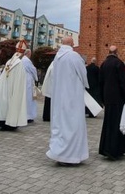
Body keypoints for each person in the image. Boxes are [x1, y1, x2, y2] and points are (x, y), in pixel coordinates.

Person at [46, 36, 89, 166]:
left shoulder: (57, 58)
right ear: (70, 44)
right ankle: (70, 156)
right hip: (72, 96)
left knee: (61, 124)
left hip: (59, 96)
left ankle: (59, 153)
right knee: (73, 124)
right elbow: (83, 74)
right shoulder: (73, 56)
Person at [0, 39, 28, 131]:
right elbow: (20, 81)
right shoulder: (19, 63)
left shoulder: (9, 61)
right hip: (13, 90)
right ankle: (10, 123)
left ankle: (1, 122)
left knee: (4, 105)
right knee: (11, 104)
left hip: (4, 88)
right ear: (23, 53)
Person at [98, 45, 125, 160]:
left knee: (108, 123)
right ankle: (115, 149)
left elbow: (101, 82)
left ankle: (105, 148)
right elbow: (123, 82)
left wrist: (102, 99)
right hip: (117, 98)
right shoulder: (119, 63)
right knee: (117, 123)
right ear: (117, 52)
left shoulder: (103, 64)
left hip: (107, 98)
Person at [22, 48, 38, 122]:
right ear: (28, 53)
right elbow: (33, 69)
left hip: (23, 79)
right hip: (28, 80)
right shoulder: (27, 61)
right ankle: (29, 115)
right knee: (29, 98)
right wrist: (36, 78)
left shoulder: (22, 60)